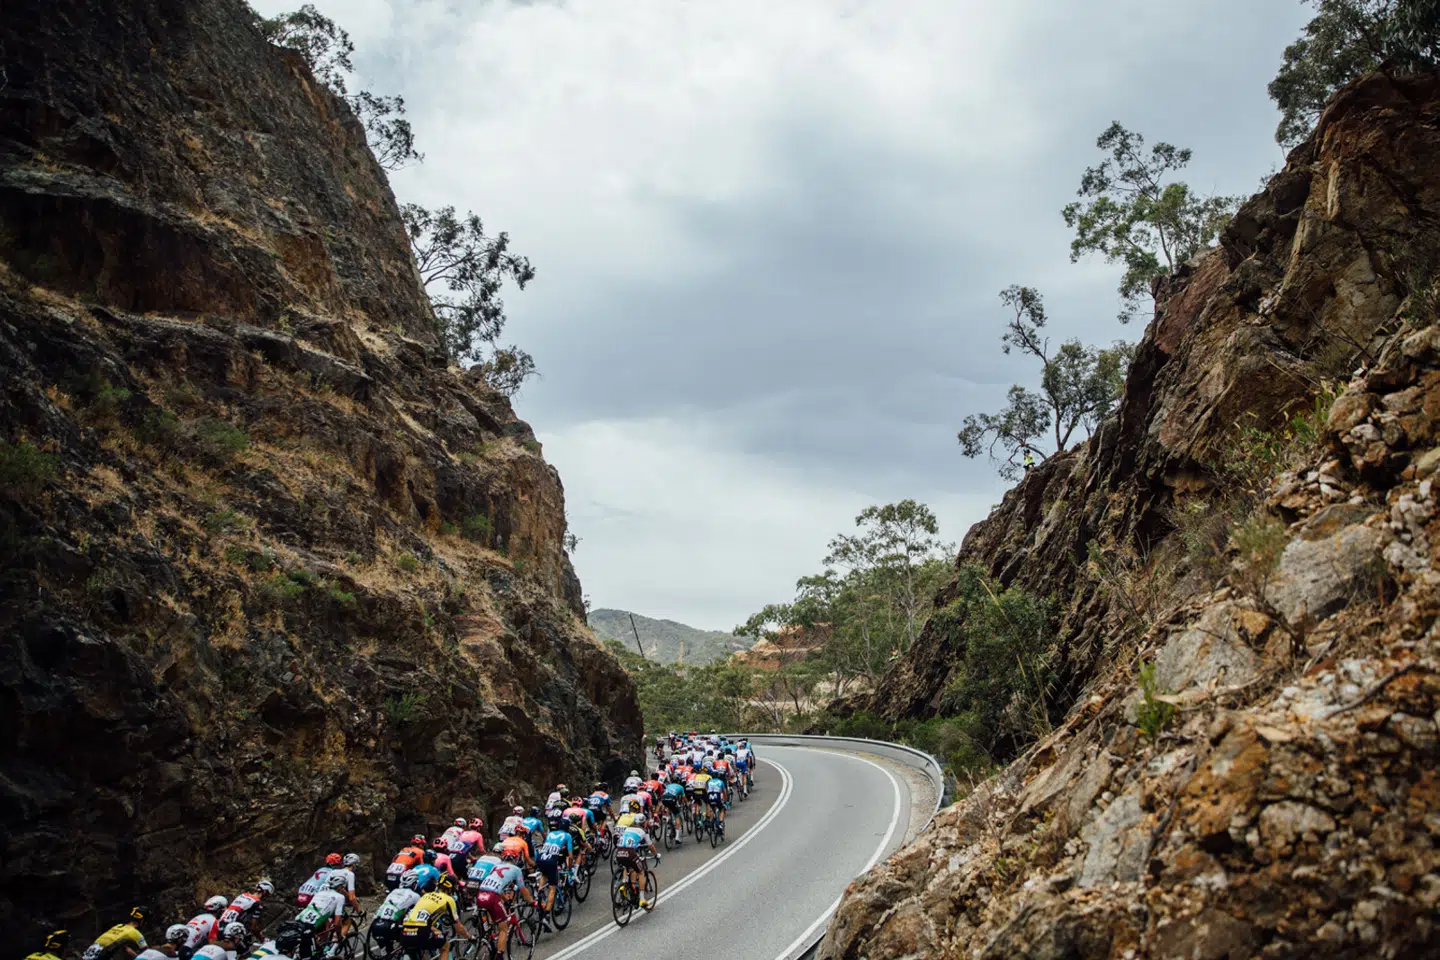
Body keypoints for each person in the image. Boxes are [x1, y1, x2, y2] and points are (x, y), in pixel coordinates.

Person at [473, 849, 535, 957]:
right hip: (492, 897)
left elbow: (497, 886)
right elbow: (523, 889)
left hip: (480, 893)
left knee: (491, 922)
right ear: (516, 859)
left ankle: (488, 939)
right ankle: (499, 956)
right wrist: (532, 901)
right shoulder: (516, 869)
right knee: (504, 928)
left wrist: (506, 900)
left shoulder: (496, 867)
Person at [399, 873, 468, 960]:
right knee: (445, 946)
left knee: (418, 951)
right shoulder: (449, 899)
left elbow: (419, 920)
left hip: (404, 932)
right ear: (450, 888)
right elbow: (458, 928)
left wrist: (435, 930)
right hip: (421, 932)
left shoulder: (426, 895)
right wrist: (470, 937)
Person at [535, 816, 575, 929]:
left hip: (541, 858)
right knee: (553, 888)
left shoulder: (550, 834)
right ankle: (547, 916)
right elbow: (571, 856)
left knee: (544, 874)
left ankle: (539, 892)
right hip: (552, 860)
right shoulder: (567, 836)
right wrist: (570, 868)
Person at [290, 872, 349, 948]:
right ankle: (329, 952)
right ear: (340, 886)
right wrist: (339, 937)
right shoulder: (340, 897)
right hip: (310, 926)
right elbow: (337, 923)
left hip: (299, 919)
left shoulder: (320, 892)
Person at [369, 870, 422, 950]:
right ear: (414, 884)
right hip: (391, 928)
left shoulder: (394, 891)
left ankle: (386, 951)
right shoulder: (415, 895)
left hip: (376, 924)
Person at [614, 815, 658, 910]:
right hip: (630, 852)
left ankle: (624, 885)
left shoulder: (627, 828)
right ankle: (642, 899)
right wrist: (656, 855)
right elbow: (650, 846)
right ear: (643, 822)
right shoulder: (643, 831)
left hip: (618, 851)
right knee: (641, 871)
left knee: (628, 866)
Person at [82, 907, 150, 960]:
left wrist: (136, 957)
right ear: (142, 921)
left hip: (89, 954)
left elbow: (126, 949)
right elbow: (148, 953)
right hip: (101, 956)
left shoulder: (118, 926)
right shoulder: (135, 933)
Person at [706, 767, 729, 835]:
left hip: (709, 796)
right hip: (717, 796)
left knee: (713, 809)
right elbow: (724, 792)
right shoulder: (720, 781)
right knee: (722, 809)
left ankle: (712, 821)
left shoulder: (709, 781)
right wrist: (725, 801)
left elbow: (707, 790)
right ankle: (720, 823)